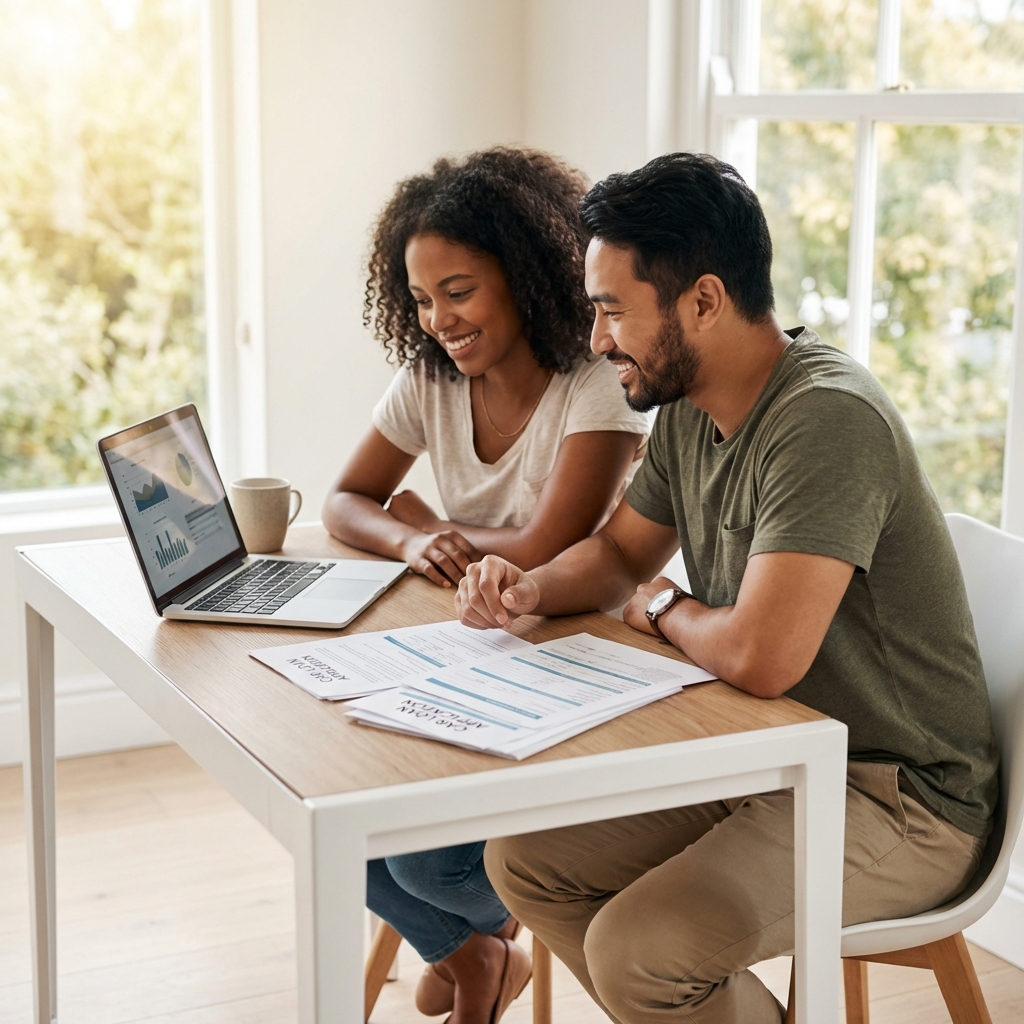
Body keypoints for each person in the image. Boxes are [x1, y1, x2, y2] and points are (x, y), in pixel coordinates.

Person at [455, 152, 999, 1024]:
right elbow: (618, 558)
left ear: (703, 301)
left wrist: (669, 609)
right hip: (770, 758)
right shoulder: (689, 407)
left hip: (900, 798)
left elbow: (760, 654)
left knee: (637, 953)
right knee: (524, 861)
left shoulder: (826, 418)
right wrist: (526, 588)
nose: (597, 341)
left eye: (612, 311)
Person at [322, 147, 651, 1024]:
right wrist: (409, 534)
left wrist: (442, 532)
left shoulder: (594, 383)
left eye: (458, 291)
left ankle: (475, 938)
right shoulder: (430, 377)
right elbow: (345, 501)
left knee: (424, 864)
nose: (438, 320)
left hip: (579, 662)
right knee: (329, 815)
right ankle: (471, 952)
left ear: (528, 275)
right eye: (422, 299)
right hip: (468, 647)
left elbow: (556, 543)